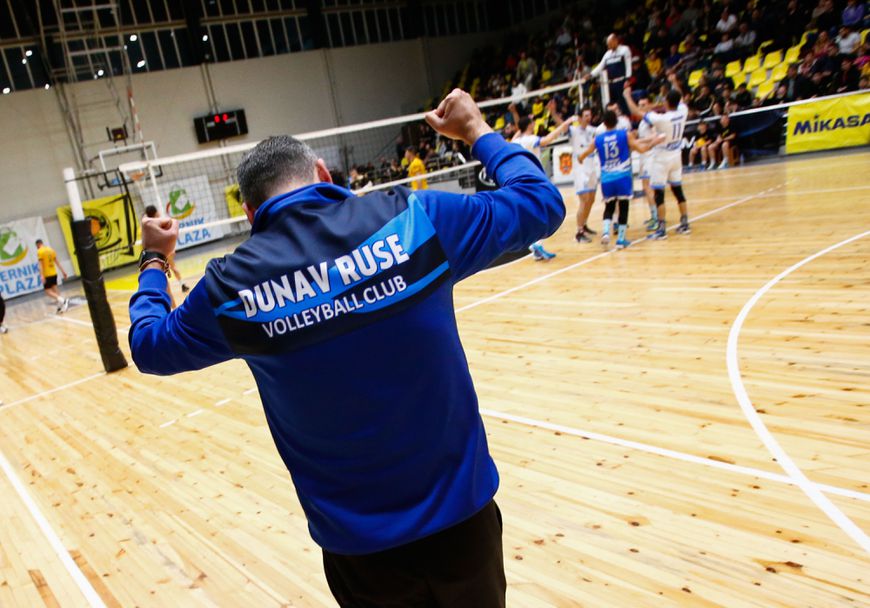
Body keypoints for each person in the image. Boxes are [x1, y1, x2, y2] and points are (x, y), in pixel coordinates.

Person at [128, 88, 564, 608]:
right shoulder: (413, 220)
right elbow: (540, 203)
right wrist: (476, 131)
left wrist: (154, 260)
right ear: (323, 173)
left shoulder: (231, 289)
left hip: (360, 550)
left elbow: (149, 346)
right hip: (462, 524)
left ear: (249, 211)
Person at [576, 109, 662, 249]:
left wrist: (580, 158)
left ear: (604, 123)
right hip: (623, 176)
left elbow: (584, 154)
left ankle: (605, 232)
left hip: (606, 178)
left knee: (609, 207)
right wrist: (654, 142)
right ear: (616, 121)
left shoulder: (598, 139)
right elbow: (642, 149)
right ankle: (621, 239)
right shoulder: (624, 134)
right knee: (623, 206)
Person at [623, 75, 691, 239]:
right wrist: (674, 82)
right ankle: (684, 223)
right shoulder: (683, 111)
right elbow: (680, 97)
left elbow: (635, 112)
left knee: (659, 193)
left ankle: (661, 229)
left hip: (662, 157)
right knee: (678, 190)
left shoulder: (662, 119)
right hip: (676, 155)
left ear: (667, 102)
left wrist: (627, 96)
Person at [511, 114, 572, 260]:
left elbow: (515, 136)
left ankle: (537, 246)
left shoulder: (516, 141)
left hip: (521, 179)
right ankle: (536, 244)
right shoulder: (531, 139)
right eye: (532, 122)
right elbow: (546, 140)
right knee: (544, 212)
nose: (534, 124)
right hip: (534, 179)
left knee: (533, 213)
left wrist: (520, 125)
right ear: (529, 125)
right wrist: (562, 127)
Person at [144, 205, 189, 304]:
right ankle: (182, 284)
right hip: (164, 252)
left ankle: (173, 304)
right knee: (173, 269)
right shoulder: (160, 222)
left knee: (165, 279)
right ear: (156, 213)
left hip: (155, 255)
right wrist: (171, 249)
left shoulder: (147, 225)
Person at [568, 108, 600, 243]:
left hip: (592, 165)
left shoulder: (594, 130)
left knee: (591, 199)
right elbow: (560, 124)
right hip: (580, 167)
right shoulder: (574, 130)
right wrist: (553, 113)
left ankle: (584, 224)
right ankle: (579, 232)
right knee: (584, 199)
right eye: (586, 115)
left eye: (589, 115)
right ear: (580, 118)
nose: (589, 117)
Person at [584, 33, 633, 115]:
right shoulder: (607, 54)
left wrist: (628, 79)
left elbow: (628, 65)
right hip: (611, 83)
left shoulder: (625, 50)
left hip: (622, 81)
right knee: (613, 104)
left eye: (610, 44)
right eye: (608, 44)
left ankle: (628, 117)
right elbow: (600, 66)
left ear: (615, 41)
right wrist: (591, 74)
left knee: (624, 103)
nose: (608, 46)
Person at [633, 95, 659, 231]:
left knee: (649, 188)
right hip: (644, 156)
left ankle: (656, 217)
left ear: (649, 105)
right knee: (646, 187)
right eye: (639, 105)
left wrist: (639, 141)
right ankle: (654, 214)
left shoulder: (651, 118)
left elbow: (655, 135)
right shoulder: (643, 121)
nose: (641, 107)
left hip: (650, 156)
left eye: (643, 105)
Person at [36, 239, 69, 313]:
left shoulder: (40, 251)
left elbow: (40, 265)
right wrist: (63, 272)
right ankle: (60, 307)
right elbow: (57, 262)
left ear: (38, 244)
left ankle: (63, 301)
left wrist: (42, 275)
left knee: (48, 291)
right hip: (54, 273)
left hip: (47, 274)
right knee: (55, 289)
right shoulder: (51, 250)